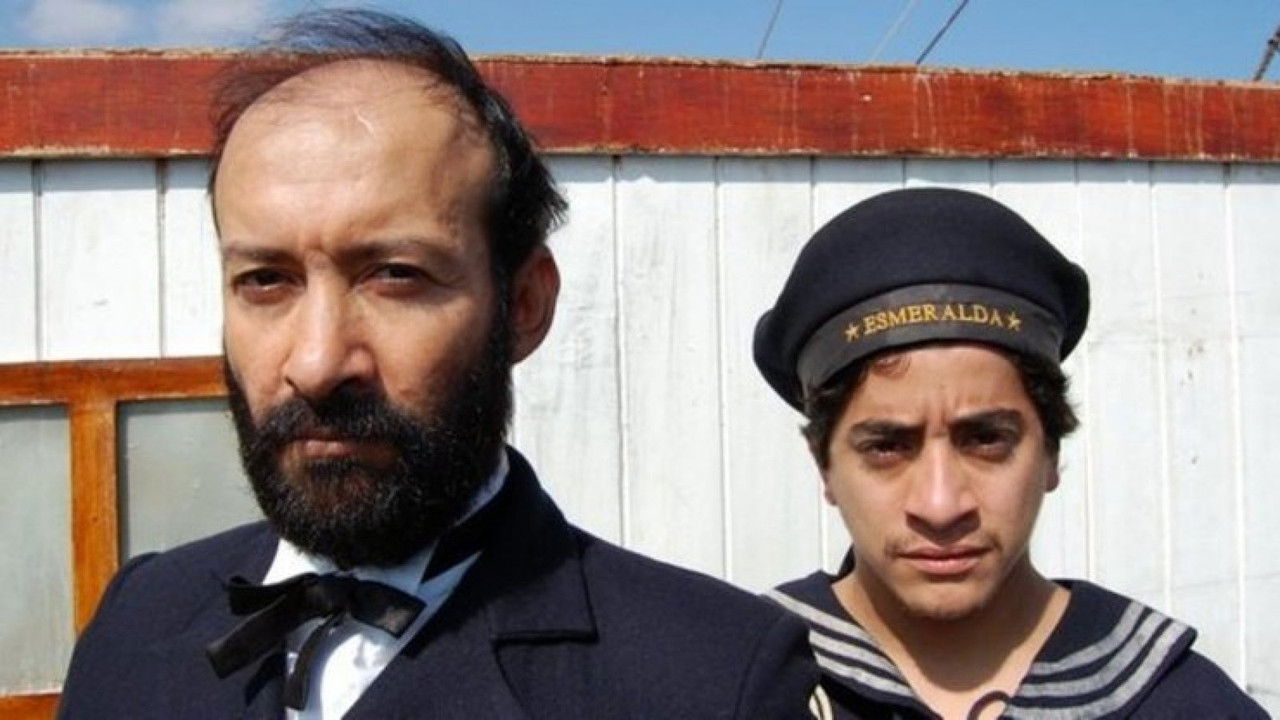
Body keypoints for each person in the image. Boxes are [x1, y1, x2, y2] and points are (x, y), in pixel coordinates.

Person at [57, 9, 817, 719]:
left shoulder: (710, 679)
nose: (317, 363)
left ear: (524, 305)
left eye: (395, 275)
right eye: (265, 280)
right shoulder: (135, 621)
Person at [754, 188, 1267, 719]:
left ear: (1051, 449)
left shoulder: (1184, 704)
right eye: (887, 447)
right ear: (824, 465)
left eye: (985, 440)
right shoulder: (743, 686)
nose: (941, 506)